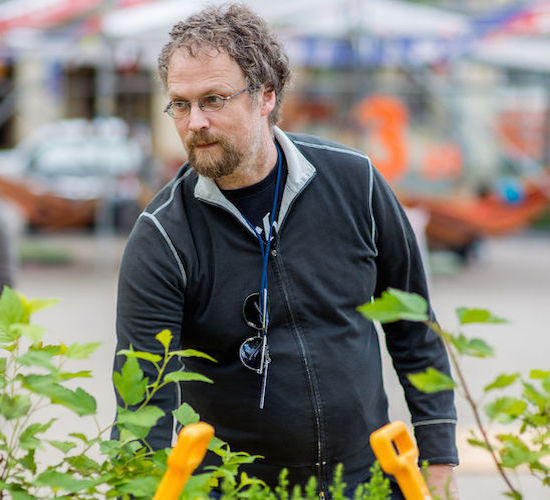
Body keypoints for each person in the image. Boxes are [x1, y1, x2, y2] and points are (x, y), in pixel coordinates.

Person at [112, 4, 458, 498]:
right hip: (235, 490)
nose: (195, 123)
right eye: (181, 104)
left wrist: (439, 455)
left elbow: (414, 325)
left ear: (265, 97)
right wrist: (134, 487)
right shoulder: (162, 236)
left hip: (365, 480)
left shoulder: (354, 182)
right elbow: (142, 397)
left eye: (213, 99)